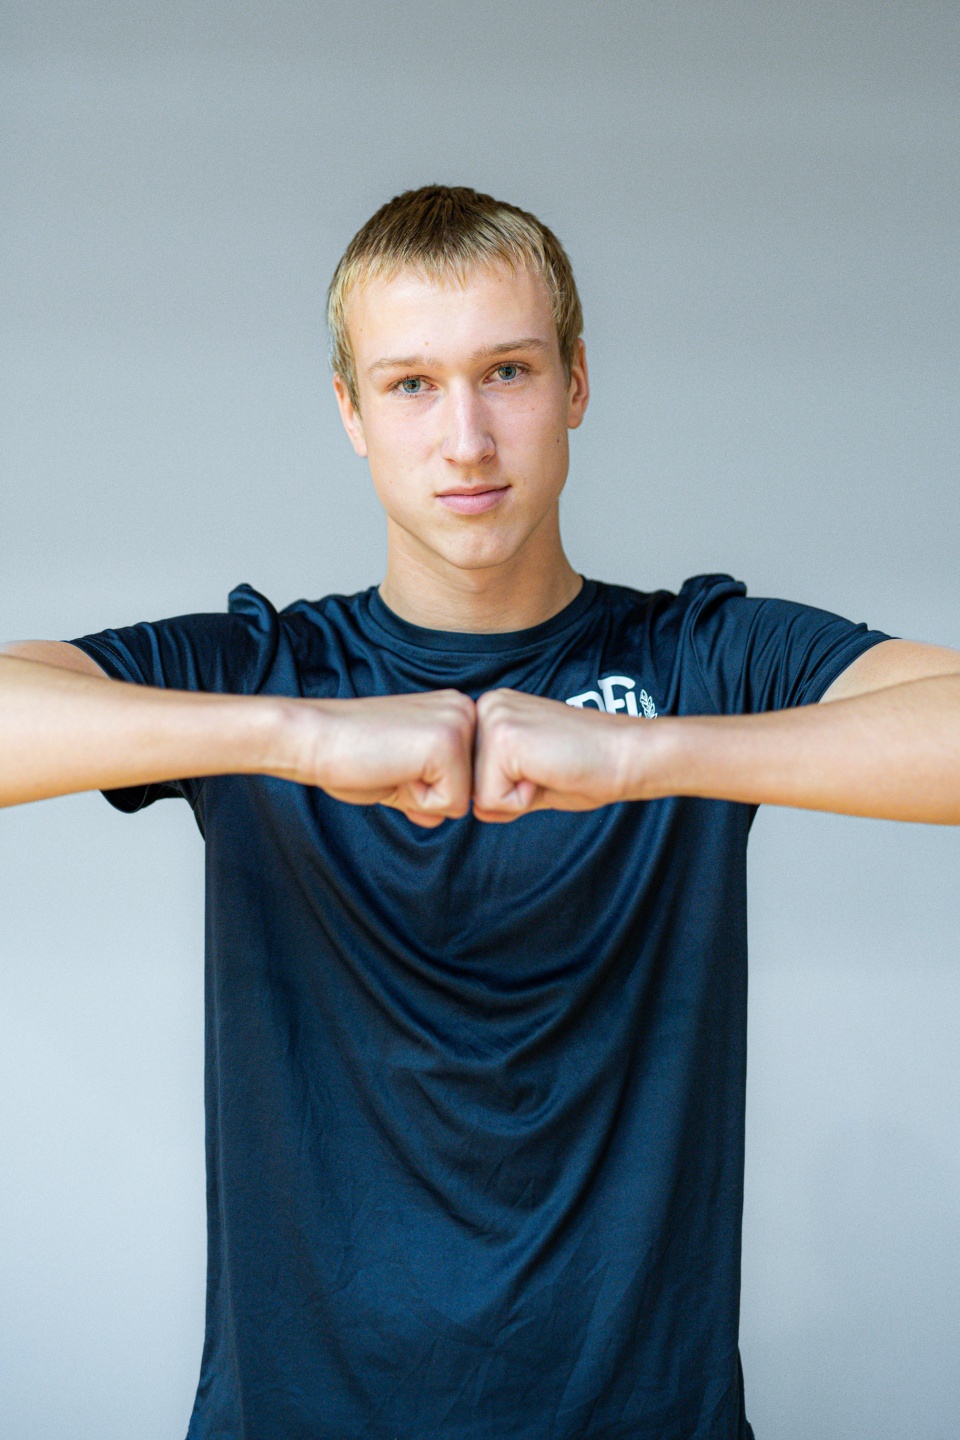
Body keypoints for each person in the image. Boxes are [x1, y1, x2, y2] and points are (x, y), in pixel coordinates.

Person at [2, 185, 959, 1440]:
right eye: (411, 384)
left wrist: (643, 755)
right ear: (350, 411)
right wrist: (293, 736)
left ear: (575, 383)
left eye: (506, 371)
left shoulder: (698, 657)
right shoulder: (261, 671)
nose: (466, 438)